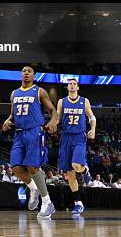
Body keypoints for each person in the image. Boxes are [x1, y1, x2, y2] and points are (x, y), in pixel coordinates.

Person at [2, 65, 58, 219]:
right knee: (15, 167)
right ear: (21, 75)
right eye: (23, 71)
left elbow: (53, 111)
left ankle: (47, 203)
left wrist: (53, 122)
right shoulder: (14, 93)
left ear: (34, 76)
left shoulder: (39, 91)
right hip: (19, 134)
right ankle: (34, 189)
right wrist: (7, 121)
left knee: (32, 166)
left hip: (35, 131)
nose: (26, 73)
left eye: (29, 71)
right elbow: (12, 115)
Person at [57, 78, 95, 215]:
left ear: (77, 88)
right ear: (67, 87)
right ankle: (78, 203)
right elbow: (57, 118)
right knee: (70, 174)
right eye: (70, 84)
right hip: (65, 137)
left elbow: (92, 117)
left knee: (76, 165)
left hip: (79, 136)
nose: (72, 86)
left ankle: (85, 171)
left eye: (74, 84)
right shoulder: (62, 101)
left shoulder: (84, 101)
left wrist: (93, 129)